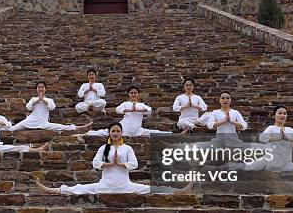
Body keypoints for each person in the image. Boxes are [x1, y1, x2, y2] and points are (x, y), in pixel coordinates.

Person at [36, 122, 192, 194]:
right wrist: (109, 164)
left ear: (121, 133)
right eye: (113, 131)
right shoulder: (104, 148)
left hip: (125, 185)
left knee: (149, 188)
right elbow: (96, 163)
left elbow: (135, 164)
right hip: (105, 184)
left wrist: (121, 164)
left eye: (118, 131)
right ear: (109, 133)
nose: (115, 133)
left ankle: (179, 191)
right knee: (79, 188)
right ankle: (52, 190)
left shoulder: (127, 148)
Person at [83, 86, 171, 137]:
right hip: (124, 128)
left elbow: (149, 110)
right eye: (131, 93)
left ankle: (172, 134)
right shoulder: (125, 103)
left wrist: (138, 110)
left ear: (138, 94)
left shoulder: (141, 104)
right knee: (105, 132)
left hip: (137, 129)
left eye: (135, 93)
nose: (133, 94)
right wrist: (130, 110)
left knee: (154, 133)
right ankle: (86, 134)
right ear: (129, 94)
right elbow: (118, 110)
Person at [10, 82, 92, 133]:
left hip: (43, 122)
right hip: (30, 120)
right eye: (39, 87)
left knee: (60, 127)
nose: (40, 89)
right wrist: (38, 100)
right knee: (13, 128)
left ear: (45, 89)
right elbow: (28, 107)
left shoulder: (49, 100)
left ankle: (79, 128)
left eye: (42, 87)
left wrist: (43, 100)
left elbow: (52, 107)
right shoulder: (33, 99)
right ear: (36, 89)